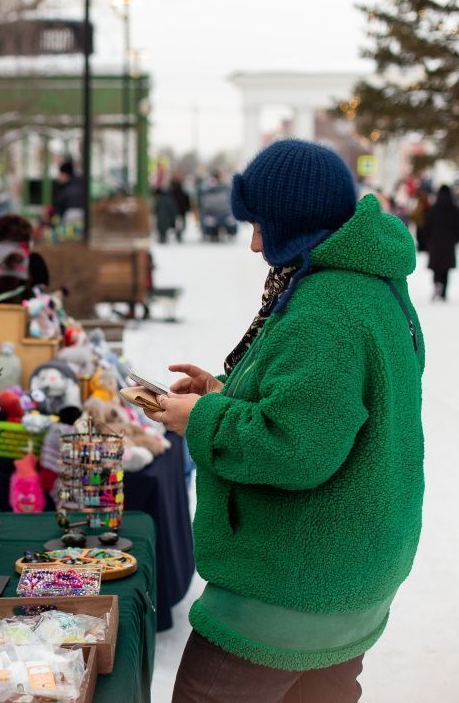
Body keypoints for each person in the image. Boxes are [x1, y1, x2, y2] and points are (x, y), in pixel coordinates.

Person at [144, 140, 424, 702]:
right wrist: (224, 394)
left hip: (289, 587)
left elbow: (296, 447)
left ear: (295, 223)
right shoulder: (369, 285)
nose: (253, 243)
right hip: (351, 574)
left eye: (260, 226)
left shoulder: (325, 307)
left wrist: (202, 418)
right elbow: (329, 409)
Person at [424, 184, 459, 300]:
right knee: (446, 268)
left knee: (436, 267)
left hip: (435, 243)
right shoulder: (454, 209)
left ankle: (437, 283)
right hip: (449, 244)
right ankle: (443, 292)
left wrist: (428, 240)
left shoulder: (434, 209)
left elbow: (427, 226)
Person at [170, 177, 192, 242]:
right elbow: (187, 203)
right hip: (182, 212)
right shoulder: (184, 193)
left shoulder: (171, 194)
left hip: (175, 212)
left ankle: (178, 233)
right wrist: (188, 209)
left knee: (176, 223)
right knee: (181, 224)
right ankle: (179, 234)